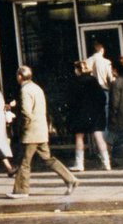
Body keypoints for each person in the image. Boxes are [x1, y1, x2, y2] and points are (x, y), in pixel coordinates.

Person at [7, 65, 78, 199]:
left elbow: (26, 113)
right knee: (47, 159)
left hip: (31, 132)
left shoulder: (25, 90)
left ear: (20, 76)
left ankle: (21, 191)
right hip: (41, 130)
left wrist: (23, 128)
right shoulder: (36, 88)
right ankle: (70, 179)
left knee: (24, 161)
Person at [71, 60, 110, 172]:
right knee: (99, 137)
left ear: (77, 70)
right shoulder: (94, 81)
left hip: (80, 113)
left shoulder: (75, 82)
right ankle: (106, 163)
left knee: (79, 137)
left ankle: (79, 164)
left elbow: (71, 100)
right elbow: (102, 97)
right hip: (95, 113)